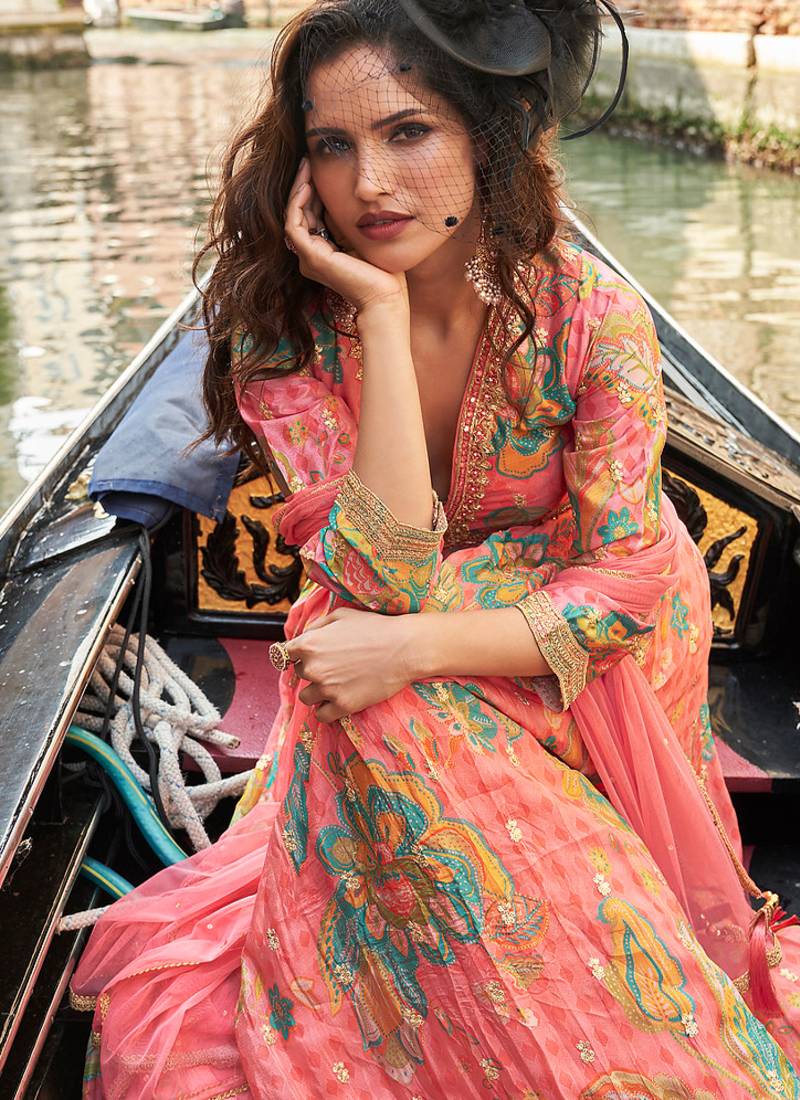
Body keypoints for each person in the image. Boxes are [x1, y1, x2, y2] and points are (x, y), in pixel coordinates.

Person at [70, 1, 800, 1096]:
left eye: (408, 132)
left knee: (376, 689)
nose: (368, 183)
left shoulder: (591, 314)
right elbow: (381, 576)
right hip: (395, 605)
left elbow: (621, 587)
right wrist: (375, 309)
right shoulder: (284, 328)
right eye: (333, 144)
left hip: (587, 642)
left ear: (487, 139)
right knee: (365, 670)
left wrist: (408, 650)